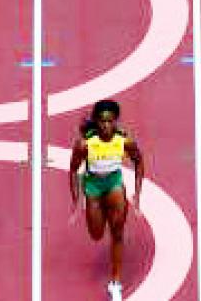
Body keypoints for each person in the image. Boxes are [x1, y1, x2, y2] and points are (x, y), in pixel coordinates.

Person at [69, 100, 145, 301]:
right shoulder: (85, 144)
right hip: (93, 186)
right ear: (96, 122)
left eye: (110, 121)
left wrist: (137, 196)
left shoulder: (124, 141)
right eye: (102, 122)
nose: (106, 126)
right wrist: (76, 201)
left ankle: (115, 282)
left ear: (115, 121)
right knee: (96, 234)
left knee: (117, 233)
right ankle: (98, 207)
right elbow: (73, 169)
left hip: (114, 184)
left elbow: (139, 162)